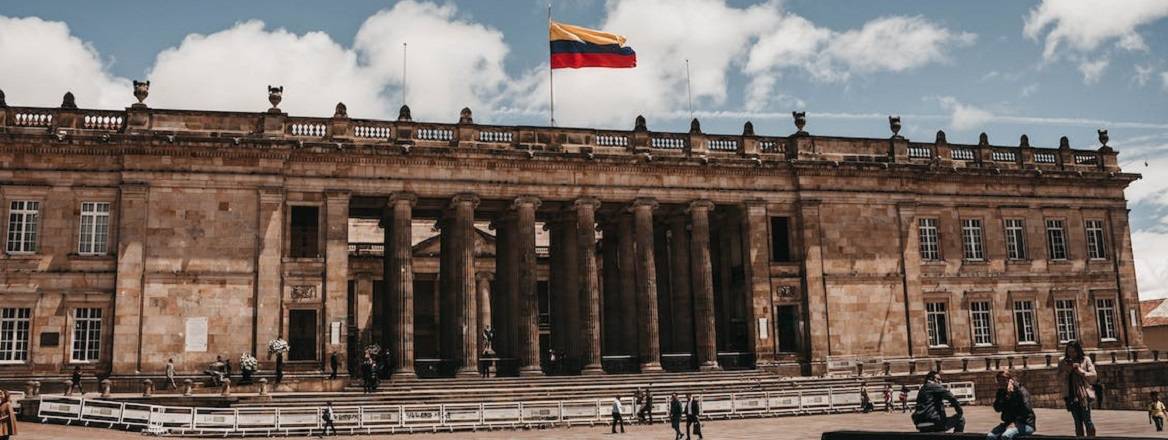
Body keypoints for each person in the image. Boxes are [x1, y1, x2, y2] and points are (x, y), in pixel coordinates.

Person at [1057, 340, 1097, 437]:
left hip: (1084, 396)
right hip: (1071, 395)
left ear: (1078, 351)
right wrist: (1068, 370)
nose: (1071, 354)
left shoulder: (1085, 360)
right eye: (1069, 352)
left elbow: (1094, 377)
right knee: (1077, 423)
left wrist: (1080, 371)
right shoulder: (1062, 361)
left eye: (1073, 352)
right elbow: (1059, 379)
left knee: (1087, 420)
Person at [987, 369, 1036, 439]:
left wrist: (1014, 393)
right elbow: (997, 409)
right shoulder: (1001, 392)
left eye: (1004, 380)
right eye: (999, 381)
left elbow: (1026, 408)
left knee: (1006, 435)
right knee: (991, 436)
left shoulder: (1020, 391)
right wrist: (1006, 396)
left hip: (1025, 424)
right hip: (1008, 423)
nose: (1001, 383)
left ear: (1010, 380)